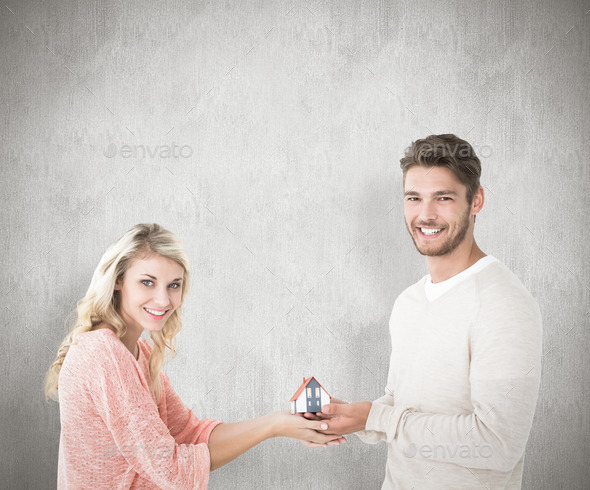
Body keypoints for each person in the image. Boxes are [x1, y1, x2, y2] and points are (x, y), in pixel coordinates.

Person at [308, 134, 543, 489]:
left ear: (476, 200)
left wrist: (380, 418)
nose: (426, 214)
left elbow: (498, 445)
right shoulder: (408, 303)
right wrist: (354, 417)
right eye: (414, 198)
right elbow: (401, 403)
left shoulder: (504, 304)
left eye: (443, 198)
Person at [44, 223, 344, 489]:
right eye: (147, 282)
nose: (163, 300)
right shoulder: (103, 353)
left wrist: (281, 421)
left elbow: (189, 433)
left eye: (173, 285)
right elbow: (171, 468)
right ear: (118, 280)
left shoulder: (140, 353)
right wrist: (274, 426)